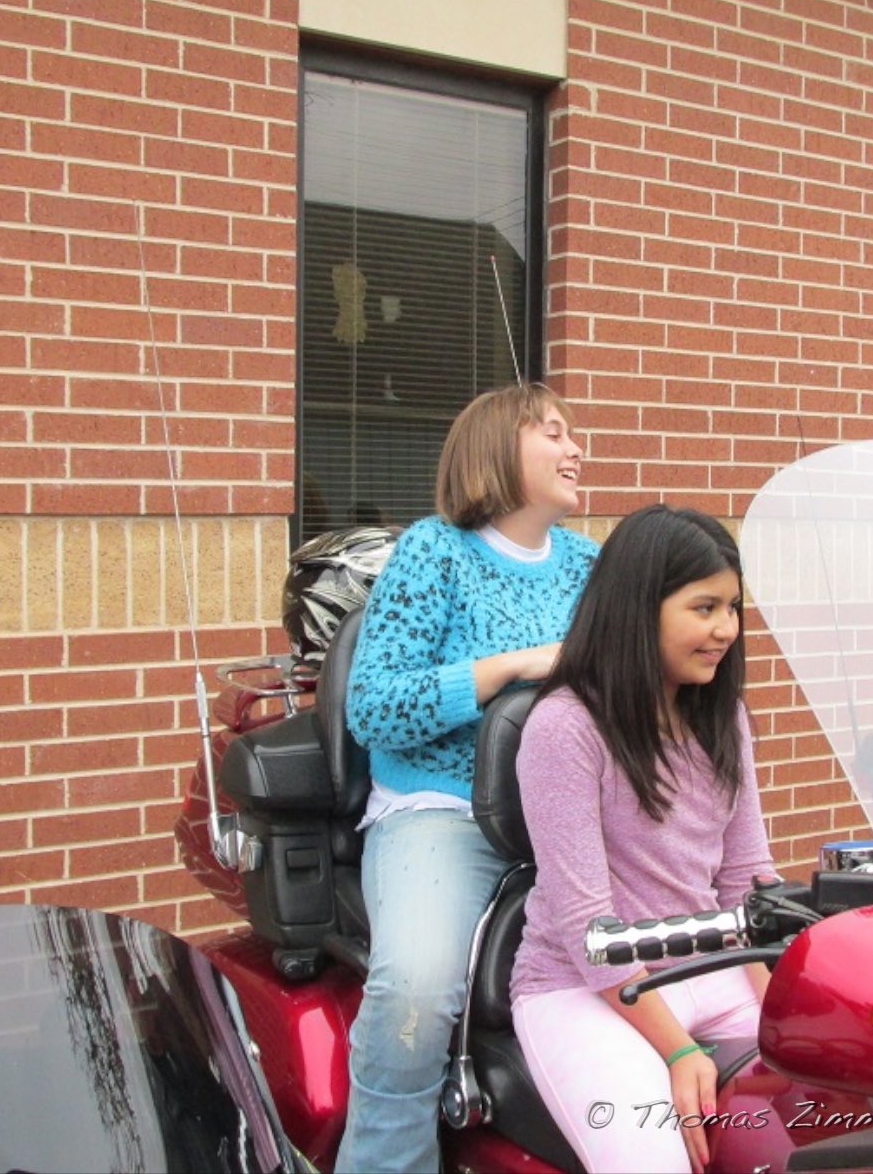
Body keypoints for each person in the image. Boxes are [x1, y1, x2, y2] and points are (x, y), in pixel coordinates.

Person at [334, 382, 597, 1174]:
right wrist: (511, 668)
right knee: (414, 989)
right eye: (552, 432)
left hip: (571, 817)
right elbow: (374, 707)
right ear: (496, 449)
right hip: (442, 813)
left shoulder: (592, 564)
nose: (575, 448)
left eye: (572, 432)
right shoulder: (434, 552)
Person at [509, 505, 777, 1174]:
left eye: (732, 607)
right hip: (583, 986)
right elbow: (587, 927)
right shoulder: (565, 727)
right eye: (704, 608)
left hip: (706, 964)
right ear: (639, 608)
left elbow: (747, 880)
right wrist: (679, 1050)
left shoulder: (723, 716)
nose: (726, 629)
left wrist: (784, 1006)